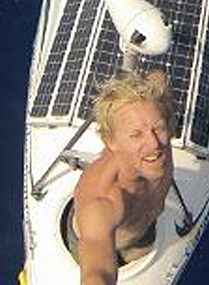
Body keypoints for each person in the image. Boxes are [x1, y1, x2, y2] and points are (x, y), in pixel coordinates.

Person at [70, 70, 174, 285]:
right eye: (136, 134)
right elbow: (97, 271)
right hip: (94, 242)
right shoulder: (104, 201)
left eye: (158, 128)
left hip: (141, 232)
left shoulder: (159, 126)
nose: (154, 144)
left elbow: (158, 78)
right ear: (111, 141)